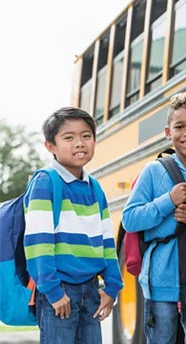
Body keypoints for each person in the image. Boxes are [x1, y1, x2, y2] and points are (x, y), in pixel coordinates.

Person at [122, 92, 186, 344]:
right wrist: (168, 201)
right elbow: (130, 219)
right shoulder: (154, 171)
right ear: (168, 132)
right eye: (180, 127)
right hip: (161, 281)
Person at [23, 106, 123, 343]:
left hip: (91, 290)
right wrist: (54, 292)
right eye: (69, 137)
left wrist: (112, 286)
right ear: (51, 146)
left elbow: (107, 240)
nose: (79, 143)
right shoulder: (45, 182)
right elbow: (38, 243)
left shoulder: (94, 187)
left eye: (86, 136)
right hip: (59, 290)